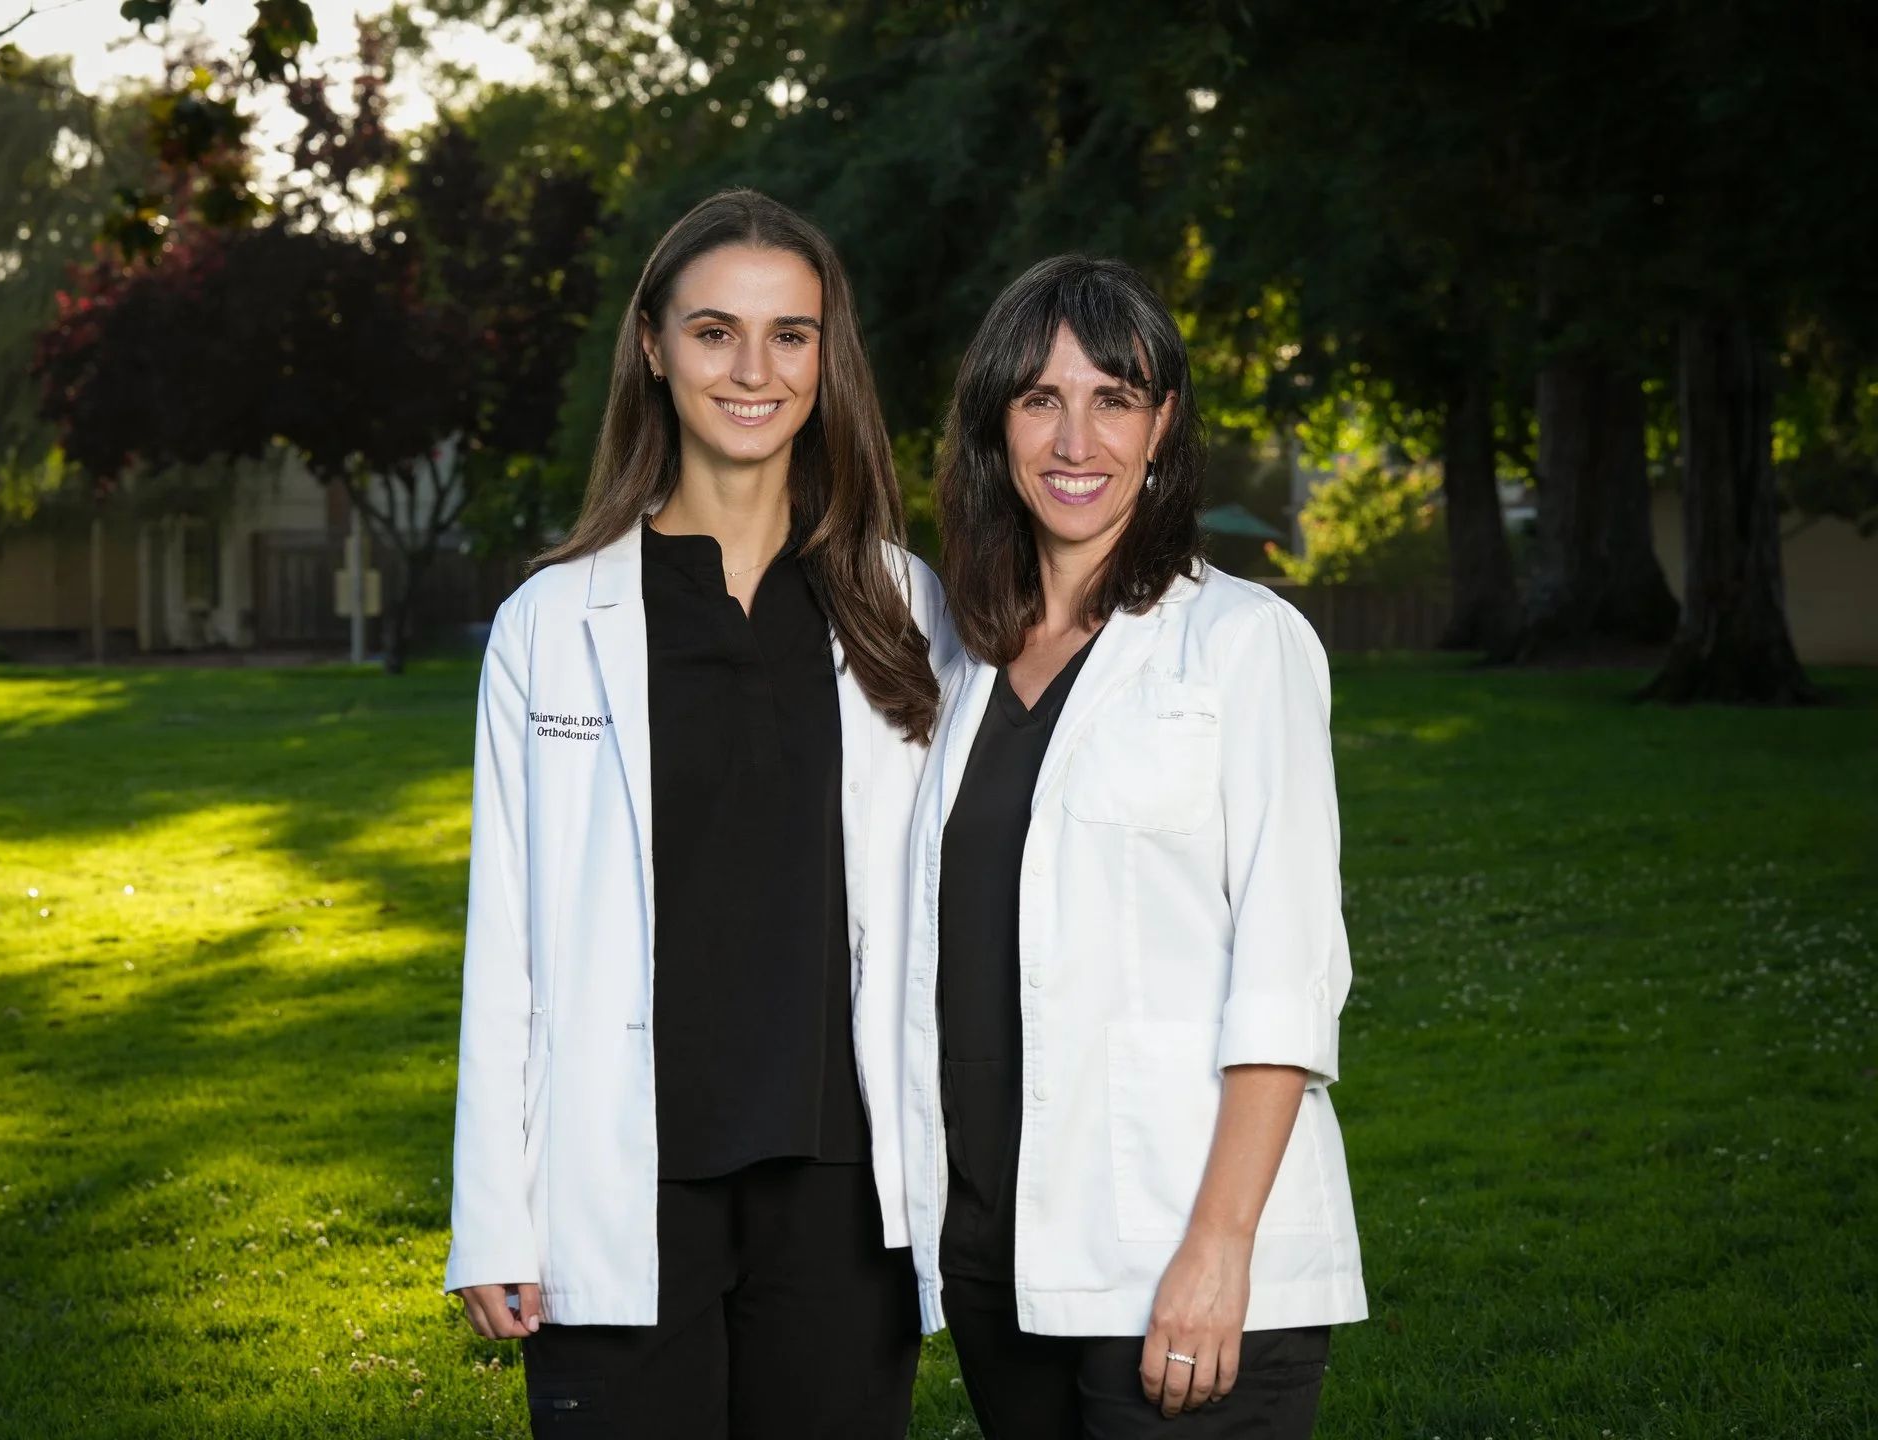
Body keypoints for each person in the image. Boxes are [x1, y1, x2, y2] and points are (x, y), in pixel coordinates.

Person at [444, 188, 952, 1440]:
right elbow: (504, 936)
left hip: (842, 1187)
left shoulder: (903, 602)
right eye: (715, 330)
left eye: (791, 335)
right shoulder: (552, 624)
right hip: (622, 1183)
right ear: (653, 348)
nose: (753, 369)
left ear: (827, 361)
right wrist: (493, 1216)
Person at [900, 255, 1367, 1439]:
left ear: (1161, 425)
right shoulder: (954, 661)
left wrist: (1217, 1250)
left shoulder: (1242, 645)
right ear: (994, 423)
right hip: (1000, 1264)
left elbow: (1287, 974)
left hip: (1182, 1258)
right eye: (1041, 399)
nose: (1076, 439)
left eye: (1114, 398)